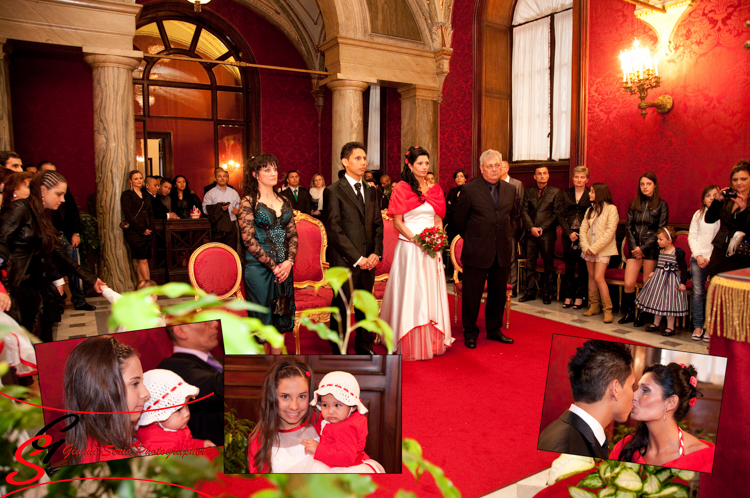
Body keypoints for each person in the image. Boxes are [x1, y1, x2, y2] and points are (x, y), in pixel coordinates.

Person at [0, 171, 106, 341]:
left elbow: (58, 252)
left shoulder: (42, 214)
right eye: (59, 194)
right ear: (43, 191)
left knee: (41, 338)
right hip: (15, 288)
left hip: (36, 287)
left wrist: (91, 278)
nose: (62, 199)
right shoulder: (20, 208)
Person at [380, 146, 453, 360]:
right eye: (419, 163)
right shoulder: (402, 188)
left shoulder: (436, 189)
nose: (424, 167)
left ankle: (432, 339)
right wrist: (417, 240)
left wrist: (436, 240)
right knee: (413, 291)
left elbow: (438, 219)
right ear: (409, 165)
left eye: (426, 163)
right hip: (410, 248)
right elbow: (397, 222)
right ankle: (407, 338)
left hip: (431, 249)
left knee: (430, 290)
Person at [247, 357, 381, 474]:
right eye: (285, 396)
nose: (294, 406)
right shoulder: (259, 441)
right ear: (271, 397)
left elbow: (353, 456)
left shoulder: (324, 421)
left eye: (302, 396)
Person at [453, 149, 518, 349]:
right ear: (481, 169)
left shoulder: (510, 190)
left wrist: (507, 235)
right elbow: (458, 222)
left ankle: (494, 329)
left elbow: (515, 218)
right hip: (477, 251)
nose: (494, 169)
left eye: (497, 165)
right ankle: (470, 332)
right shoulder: (469, 190)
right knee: (472, 295)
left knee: (498, 294)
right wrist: (475, 238)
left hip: (502, 251)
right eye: (489, 166)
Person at [323, 142, 384, 354]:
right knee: (342, 305)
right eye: (357, 158)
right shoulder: (333, 191)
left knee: (364, 305)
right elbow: (334, 229)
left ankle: (364, 346)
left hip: (369, 260)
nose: (363, 162)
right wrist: (358, 258)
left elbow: (378, 224)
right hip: (345, 261)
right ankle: (338, 348)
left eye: (364, 158)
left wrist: (376, 252)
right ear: (345, 161)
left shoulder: (371, 191)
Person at [538, 340, 635, 458]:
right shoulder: (570, 450)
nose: (634, 396)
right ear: (615, 389)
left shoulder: (565, 432)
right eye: (632, 386)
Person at [610, 363, 714, 473]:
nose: (633, 396)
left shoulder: (704, 459)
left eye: (645, 390)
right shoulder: (624, 448)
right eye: (636, 388)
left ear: (670, 402)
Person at [238, 155, 297, 349]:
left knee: (280, 319)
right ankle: (264, 367)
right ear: (255, 175)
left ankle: (277, 365)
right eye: (267, 170)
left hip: (284, 270)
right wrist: (274, 266)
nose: (273, 174)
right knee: (263, 325)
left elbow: (293, 236)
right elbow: (248, 240)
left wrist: (288, 262)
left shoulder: (285, 199)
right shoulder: (248, 202)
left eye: (275, 169)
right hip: (259, 269)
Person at [63, 336, 150, 464]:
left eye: (142, 382)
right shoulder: (112, 460)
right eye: (135, 383)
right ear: (104, 390)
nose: (146, 394)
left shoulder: (110, 436)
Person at [39, 161, 96, 311]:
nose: (61, 199)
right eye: (48, 174)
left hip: (64, 235)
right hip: (49, 237)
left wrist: (75, 233)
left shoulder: (63, 192)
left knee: (73, 268)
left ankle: (79, 300)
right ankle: (55, 303)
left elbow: (72, 212)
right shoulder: (32, 205)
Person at [158, 321, 224, 445]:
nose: (214, 323)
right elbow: (218, 388)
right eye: (205, 321)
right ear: (181, 331)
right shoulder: (171, 367)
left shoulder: (219, 360)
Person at [619, 172, 669, 326]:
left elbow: (660, 230)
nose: (645, 187)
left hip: (651, 248)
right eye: (642, 184)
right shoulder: (634, 204)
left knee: (647, 282)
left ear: (655, 186)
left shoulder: (661, 205)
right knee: (629, 283)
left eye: (648, 184)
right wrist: (634, 247)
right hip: (635, 248)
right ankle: (629, 313)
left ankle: (642, 314)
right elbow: (629, 227)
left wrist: (643, 247)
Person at [302, 371, 369, 467]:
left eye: (337, 405)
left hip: (345, 469)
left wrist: (318, 449)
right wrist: (301, 414)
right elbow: (318, 420)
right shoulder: (335, 418)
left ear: (353, 407)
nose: (330, 411)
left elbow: (347, 458)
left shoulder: (347, 428)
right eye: (325, 405)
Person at [136, 369, 216, 450]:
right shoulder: (159, 444)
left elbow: (186, 443)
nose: (186, 413)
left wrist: (201, 445)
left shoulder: (173, 426)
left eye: (187, 404)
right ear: (156, 417)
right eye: (178, 410)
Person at [520, 165, 563, 304]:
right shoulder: (529, 191)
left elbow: (556, 214)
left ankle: (547, 293)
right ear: (535, 176)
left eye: (545, 173)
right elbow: (524, 211)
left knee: (548, 265)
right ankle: (530, 292)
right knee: (530, 264)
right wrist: (532, 227)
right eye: (539, 173)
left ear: (548, 175)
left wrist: (541, 228)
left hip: (547, 233)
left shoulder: (556, 192)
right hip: (531, 233)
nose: (542, 176)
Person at [635, 226, 688, 337]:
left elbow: (683, 268)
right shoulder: (660, 251)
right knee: (657, 301)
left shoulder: (677, 252)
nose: (658, 241)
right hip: (659, 279)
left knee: (669, 303)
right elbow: (660, 264)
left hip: (671, 281)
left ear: (669, 240)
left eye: (661, 239)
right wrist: (654, 272)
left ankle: (670, 327)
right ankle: (656, 323)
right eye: (658, 239)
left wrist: (683, 282)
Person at [579, 183, 619, 323]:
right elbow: (583, 230)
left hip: (602, 250)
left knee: (598, 277)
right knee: (591, 276)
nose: (589, 194)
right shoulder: (590, 210)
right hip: (588, 249)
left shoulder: (611, 209)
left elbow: (609, 232)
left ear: (600, 193)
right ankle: (594, 305)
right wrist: (586, 247)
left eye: (592, 192)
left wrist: (594, 248)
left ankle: (607, 310)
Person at [705, 160, 750, 276]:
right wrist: (718, 201)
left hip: (741, 252)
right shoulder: (728, 199)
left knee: (735, 288)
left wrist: (743, 209)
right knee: (717, 285)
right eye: (735, 180)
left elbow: (746, 227)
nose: (739, 183)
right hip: (720, 250)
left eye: (743, 179)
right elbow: (709, 219)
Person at [688, 185, 721, 341]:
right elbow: (692, 236)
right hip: (698, 257)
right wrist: (699, 255)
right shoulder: (698, 214)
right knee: (698, 292)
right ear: (703, 198)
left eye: (715, 195)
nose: (711, 198)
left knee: (715, 294)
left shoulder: (722, 215)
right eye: (708, 195)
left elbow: (721, 240)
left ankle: (710, 328)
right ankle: (698, 326)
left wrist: (710, 257)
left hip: (715, 259)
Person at [558, 166, 591, 309]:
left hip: (585, 235)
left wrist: (582, 233)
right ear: (573, 178)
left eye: (582, 177)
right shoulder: (565, 194)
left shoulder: (591, 194)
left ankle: (579, 296)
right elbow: (560, 215)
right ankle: (568, 295)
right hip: (568, 234)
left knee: (583, 267)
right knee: (569, 266)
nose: (579, 180)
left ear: (587, 179)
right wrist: (569, 232)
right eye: (576, 177)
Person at [121, 170, 155, 283]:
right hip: (134, 231)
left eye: (140, 178)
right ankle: (148, 287)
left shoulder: (146, 195)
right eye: (136, 178)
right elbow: (128, 214)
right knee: (142, 259)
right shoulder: (127, 195)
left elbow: (150, 213)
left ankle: (141, 286)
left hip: (147, 230)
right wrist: (141, 229)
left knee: (142, 260)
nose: (139, 180)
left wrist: (151, 228)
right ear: (130, 180)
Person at [499, 160, 524, 296]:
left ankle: (512, 286)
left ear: (507, 169)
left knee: (512, 258)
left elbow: (520, 207)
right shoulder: (495, 183)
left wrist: (516, 227)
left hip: (512, 227)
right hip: (498, 228)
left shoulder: (517, 184)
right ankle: (500, 285)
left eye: (500, 167)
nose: (498, 169)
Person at [203, 167, 241, 251]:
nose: (222, 178)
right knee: (217, 249)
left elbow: (239, 204)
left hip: (231, 222)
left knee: (231, 249)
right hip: (217, 224)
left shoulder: (233, 192)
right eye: (219, 176)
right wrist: (219, 208)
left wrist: (237, 211)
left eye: (224, 176)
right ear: (215, 178)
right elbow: (205, 209)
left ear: (227, 178)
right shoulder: (210, 193)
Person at [444, 169, 467, 244]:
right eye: (457, 177)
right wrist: (456, 206)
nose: (459, 178)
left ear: (465, 178)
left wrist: (453, 205)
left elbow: (465, 207)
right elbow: (447, 206)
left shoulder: (469, 191)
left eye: (461, 176)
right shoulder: (452, 191)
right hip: (452, 223)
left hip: (464, 223)